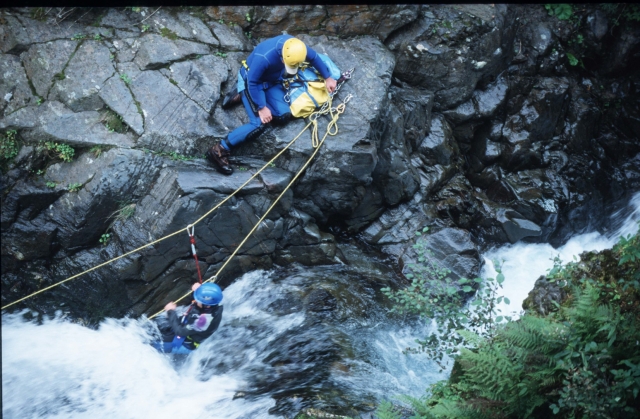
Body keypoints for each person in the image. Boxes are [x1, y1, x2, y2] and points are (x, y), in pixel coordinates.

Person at [206, 34, 338, 175]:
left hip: (271, 81)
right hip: (251, 82)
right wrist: (261, 107)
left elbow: (314, 58)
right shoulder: (264, 58)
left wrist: (327, 77)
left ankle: (243, 95)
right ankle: (219, 150)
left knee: (282, 116)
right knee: (259, 124)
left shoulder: (297, 48)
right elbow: (252, 82)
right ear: (282, 58)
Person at [152, 282, 224, 355]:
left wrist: (170, 311)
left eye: (198, 299)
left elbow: (180, 332)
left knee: (151, 344)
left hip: (184, 342)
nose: (196, 300)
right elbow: (206, 299)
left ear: (207, 306)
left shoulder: (202, 322)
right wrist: (199, 290)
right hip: (187, 326)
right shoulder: (214, 305)